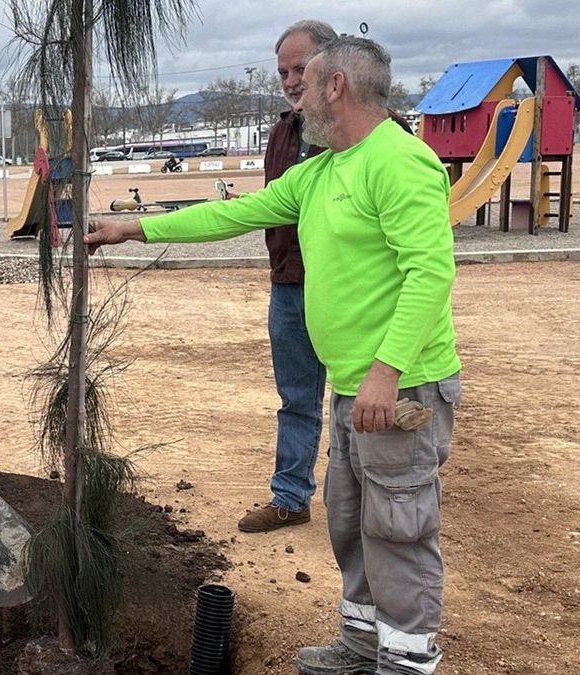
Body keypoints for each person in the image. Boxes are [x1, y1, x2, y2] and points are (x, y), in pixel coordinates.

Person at [86, 36, 460, 675]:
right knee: (349, 523)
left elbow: (430, 272)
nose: (296, 98)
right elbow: (236, 215)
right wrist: (136, 226)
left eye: (305, 83)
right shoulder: (319, 172)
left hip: (399, 389)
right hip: (352, 385)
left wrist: (385, 369)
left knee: (399, 529)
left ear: (335, 87)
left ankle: (408, 661)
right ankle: (363, 641)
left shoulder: (398, 162)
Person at [231, 19, 338, 533]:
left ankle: (359, 501)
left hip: (344, 289)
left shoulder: (366, 134)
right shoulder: (282, 132)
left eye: (301, 68)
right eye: (283, 72)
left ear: (332, 68)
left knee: (359, 398)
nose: (292, 80)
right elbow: (267, 208)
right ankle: (291, 498)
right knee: (297, 397)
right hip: (290, 286)